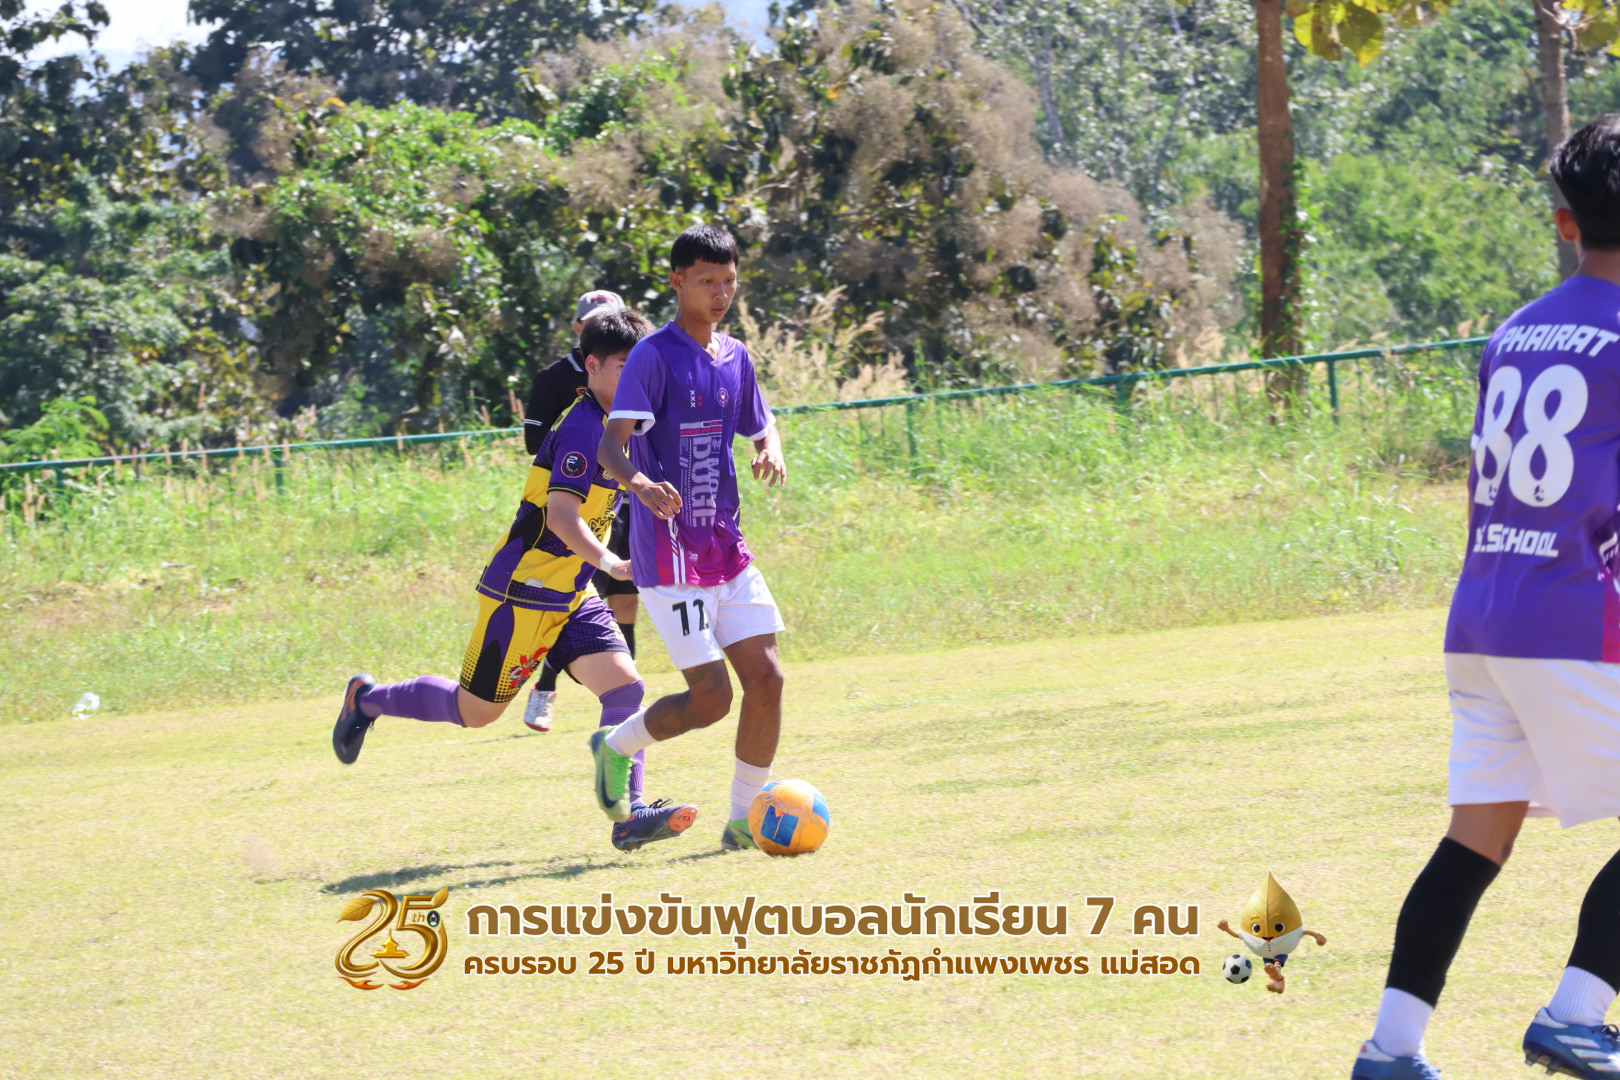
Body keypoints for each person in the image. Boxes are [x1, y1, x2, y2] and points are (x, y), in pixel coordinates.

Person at [1350, 117, 1620, 1080]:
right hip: (1572, 619)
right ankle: (1578, 1016)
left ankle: (1391, 1049)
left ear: (1564, 222)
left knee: (1475, 841)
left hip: (1483, 616)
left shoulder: (1515, 333)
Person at [332, 307, 697, 852]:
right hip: (522, 593)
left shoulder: (622, 426)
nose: (637, 379)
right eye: (625, 367)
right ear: (592, 365)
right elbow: (562, 518)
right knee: (476, 712)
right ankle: (367, 699)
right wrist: (612, 564)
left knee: (626, 688)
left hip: (571, 592)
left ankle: (629, 814)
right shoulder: (582, 430)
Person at [587, 224, 788, 851]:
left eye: (729, 281)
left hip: (726, 547)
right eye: (707, 281)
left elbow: (761, 421)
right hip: (671, 558)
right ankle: (616, 746)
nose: (721, 293)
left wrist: (770, 446)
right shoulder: (653, 356)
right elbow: (611, 447)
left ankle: (743, 821)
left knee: (768, 680)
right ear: (678, 282)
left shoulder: (736, 356)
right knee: (711, 699)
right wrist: (641, 485)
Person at [520, 290, 642, 733]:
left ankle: (622, 705)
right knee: (573, 600)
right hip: (575, 500)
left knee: (624, 601)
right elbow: (535, 441)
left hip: (625, 501)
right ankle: (544, 690)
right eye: (591, 321)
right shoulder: (556, 379)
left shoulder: (634, 370)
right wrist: (586, 435)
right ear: (578, 329)